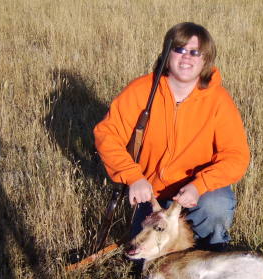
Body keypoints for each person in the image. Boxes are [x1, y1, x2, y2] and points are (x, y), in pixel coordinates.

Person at [94, 22, 250, 250]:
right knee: (142, 255)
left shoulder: (218, 100)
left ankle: (213, 251)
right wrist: (133, 177)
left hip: (199, 193)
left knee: (216, 207)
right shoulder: (141, 90)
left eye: (195, 52)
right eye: (179, 49)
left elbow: (236, 156)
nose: (187, 58)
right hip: (152, 194)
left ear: (206, 60)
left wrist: (200, 185)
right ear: (167, 54)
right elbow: (107, 134)